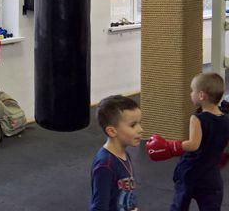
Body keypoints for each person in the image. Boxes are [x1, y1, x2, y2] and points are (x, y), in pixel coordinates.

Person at [146, 72, 229, 211]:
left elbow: (193, 144)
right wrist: (222, 158)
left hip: (191, 172)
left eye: (192, 91)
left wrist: (169, 146)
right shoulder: (226, 119)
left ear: (201, 95)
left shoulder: (198, 118)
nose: (191, 94)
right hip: (211, 175)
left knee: (179, 206)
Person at [90, 95, 143, 211]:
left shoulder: (124, 154)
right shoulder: (105, 165)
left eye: (140, 123)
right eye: (133, 125)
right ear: (112, 131)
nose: (140, 129)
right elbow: (99, 207)